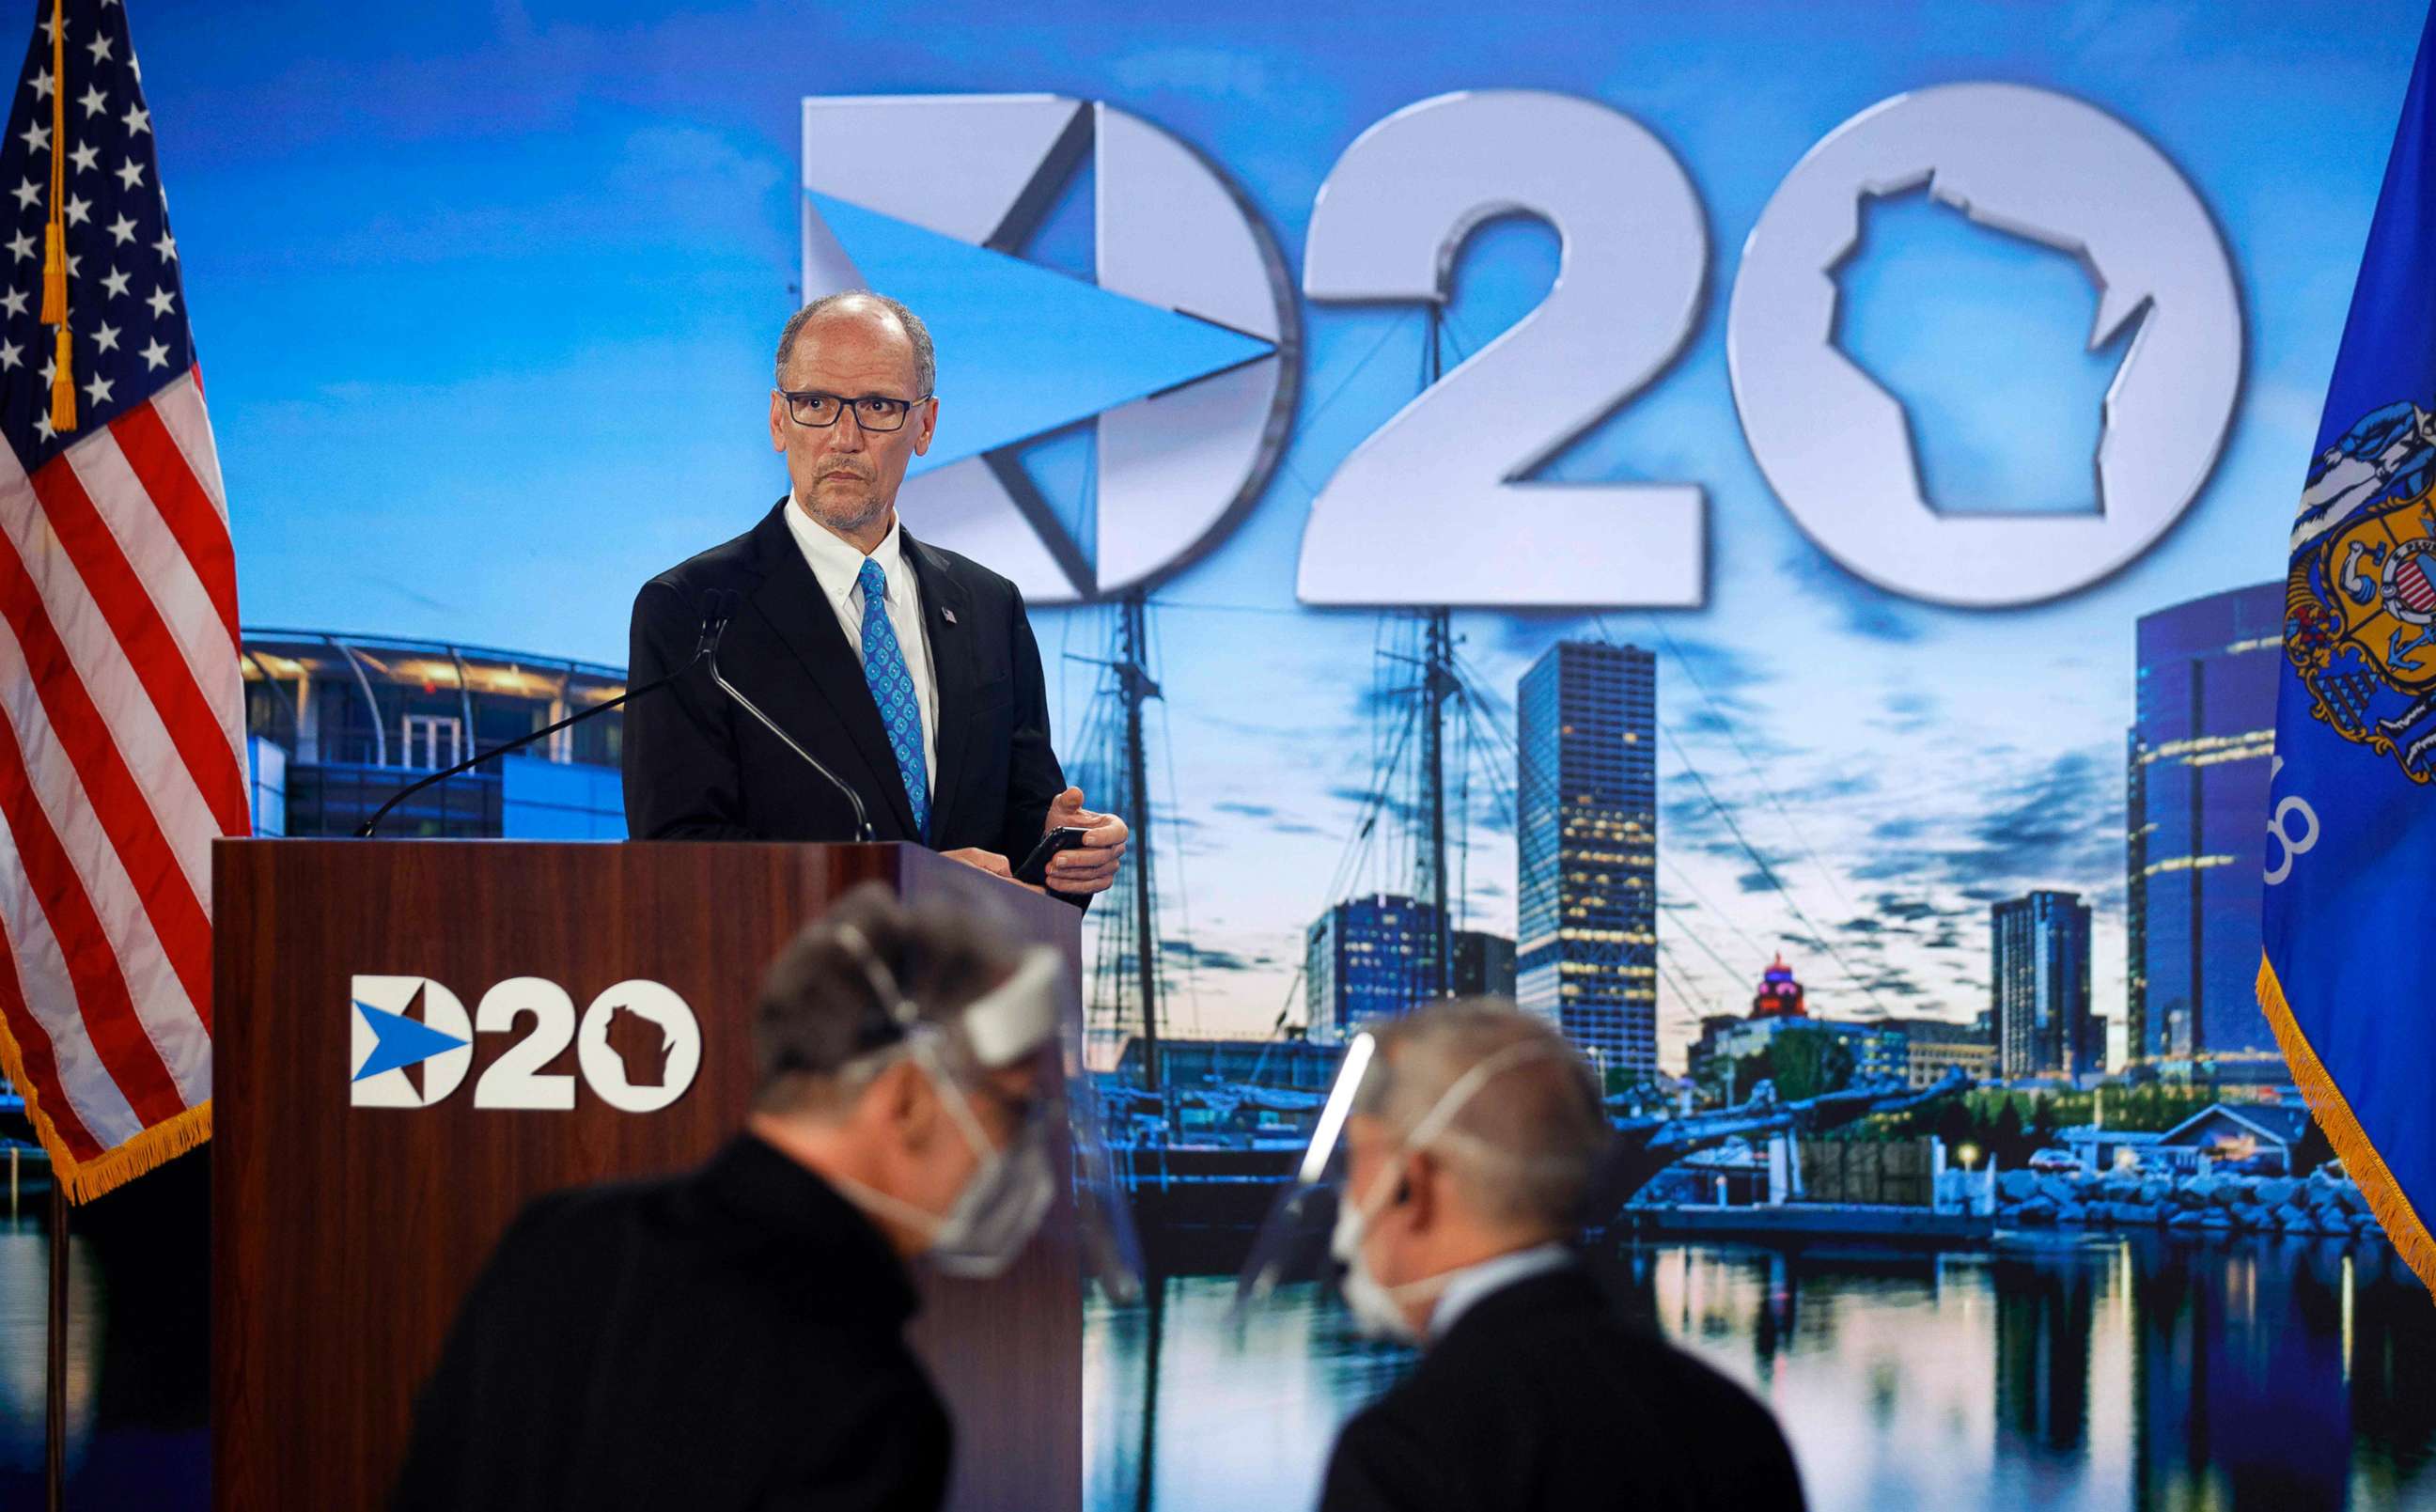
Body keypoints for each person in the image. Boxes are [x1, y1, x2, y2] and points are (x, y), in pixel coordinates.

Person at [391, 883, 1062, 1512]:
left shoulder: (555, 1239)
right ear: (910, 1099)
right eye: (1012, 1110)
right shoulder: (867, 1403)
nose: (1015, 1149)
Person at [621, 290, 1126, 903]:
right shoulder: (691, 610)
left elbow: (1019, 832)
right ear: (779, 420)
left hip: (970, 991)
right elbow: (679, 852)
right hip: (790, 990)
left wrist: (1064, 849)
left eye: (879, 405)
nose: (844, 436)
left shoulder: (990, 608)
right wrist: (908, 885)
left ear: (926, 425)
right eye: (815, 403)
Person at [1318, 1002, 1806, 1512]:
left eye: (1357, 1168)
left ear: (1411, 1186)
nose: (1349, 1200)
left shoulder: (1402, 1454)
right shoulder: (1735, 1425)